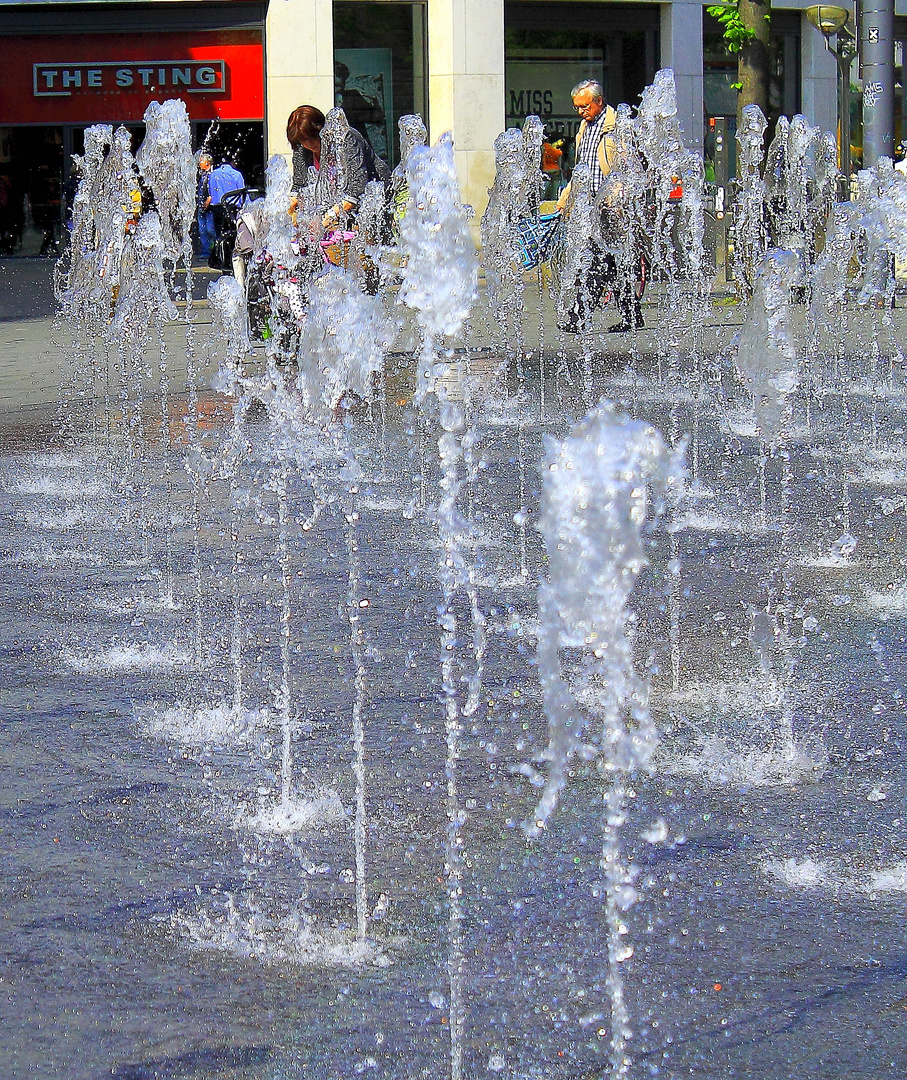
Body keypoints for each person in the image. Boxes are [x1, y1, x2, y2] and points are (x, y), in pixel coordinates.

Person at [555, 79, 643, 334]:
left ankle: (579, 316)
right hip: (591, 205)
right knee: (613, 262)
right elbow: (581, 170)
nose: (581, 111)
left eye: (584, 106)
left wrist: (617, 199)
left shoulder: (618, 126)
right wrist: (564, 203)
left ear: (599, 101)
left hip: (612, 206)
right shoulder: (585, 127)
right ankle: (631, 315)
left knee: (596, 260)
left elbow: (628, 167)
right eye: (577, 107)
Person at [286, 104, 390, 230]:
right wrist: (291, 208)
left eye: (311, 137)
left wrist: (326, 220)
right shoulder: (301, 148)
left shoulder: (346, 138)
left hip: (377, 204)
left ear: (321, 129)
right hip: (338, 213)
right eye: (303, 140)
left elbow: (357, 186)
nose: (308, 144)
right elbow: (299, 185)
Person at [205, 155, 245, 269]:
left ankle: (222, 258)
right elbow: (242, 193)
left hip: (217, 208)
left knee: (220, 234)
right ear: (232, 162)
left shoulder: (213, 175)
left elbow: (211, 192)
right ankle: (233, 259)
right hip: (232, 209)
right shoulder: (236, 174)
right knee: (234, 234)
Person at [195, 152, 216, 262]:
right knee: (202, 230)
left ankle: (214, 250)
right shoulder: (202, 175)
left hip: (209, 208)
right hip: (201, 206)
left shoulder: (212, 175)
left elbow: (213, 189)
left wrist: (209, 198)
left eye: (202, 162)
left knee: (210, 229)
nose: (200, 164)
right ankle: (206, 252)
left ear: (207, 163)